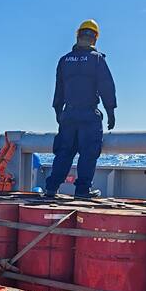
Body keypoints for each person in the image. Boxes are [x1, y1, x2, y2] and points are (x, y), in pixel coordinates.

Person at [45, 19, 117, 199]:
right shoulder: (96, 59)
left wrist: (58, 112)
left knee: (64, 152)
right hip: (88, 115)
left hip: (68, 114)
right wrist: (110, 112)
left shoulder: (64, 61)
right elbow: (107, 87)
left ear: (78, 35)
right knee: (88, 152)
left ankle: (51, 188)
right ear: (95, 38)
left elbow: (59, 89)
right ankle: (82, 191)